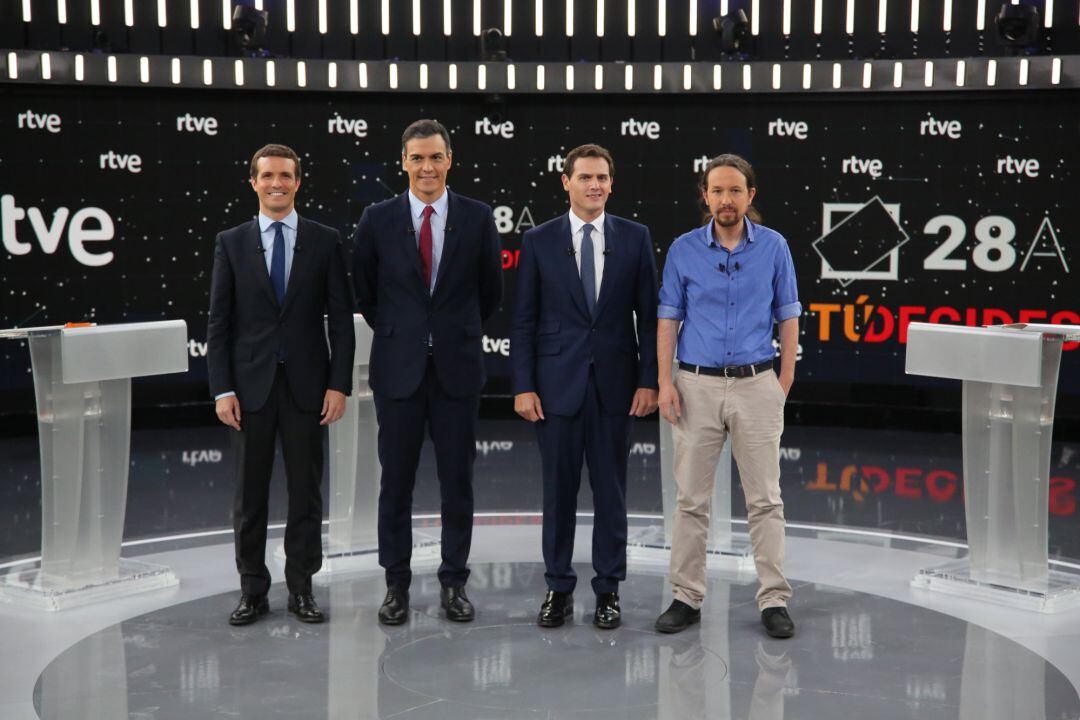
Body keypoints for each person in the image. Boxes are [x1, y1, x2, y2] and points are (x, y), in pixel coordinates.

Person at [352, 119, 503, 625]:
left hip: (457, 373)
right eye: (417, 158)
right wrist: (408, 333)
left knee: (457, 483)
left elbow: (490, 294)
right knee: (394, 484)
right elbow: (368, 294)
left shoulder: (478, 218)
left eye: (435, 157)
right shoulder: (376, 219)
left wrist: (449, 332)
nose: (427, 167)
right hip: (398, 372)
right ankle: (396, 586)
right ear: (403, 162)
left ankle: (454, 584)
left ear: (449, 160)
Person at [510, 144, 659, 630]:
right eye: (585, 177)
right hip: (555, 388)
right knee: (558, 493)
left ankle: (608, 590)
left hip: (616, 388)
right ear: (566, 182)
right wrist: (524, 385)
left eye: (602, 177)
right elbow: (525, 319)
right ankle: (557, 588)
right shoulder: (538, 240)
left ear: (611, 184)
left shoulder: (635, 238)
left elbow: (651, 317)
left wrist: (649, 381)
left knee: (612, 493)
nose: (594, 185)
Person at [207, 143, 355, 626]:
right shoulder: (230, 242)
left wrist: (339, 385)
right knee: (249, 498)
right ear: (253, 182)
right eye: (267, 175)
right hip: (250, 391)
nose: (277, 183)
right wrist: (222, 389)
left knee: (305, 495)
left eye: (285, 175)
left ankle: (302, 589)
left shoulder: (326, 239)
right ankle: (252, 590)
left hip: (308, 391)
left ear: (298, 181)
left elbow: (342, 323)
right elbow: (219, 325)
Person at [654, 154, 800, 639]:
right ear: (705, 195)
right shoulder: (683, 250)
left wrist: (783, 381)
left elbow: (789, 314)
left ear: (750, 195)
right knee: (691, 500)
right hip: (696, 385)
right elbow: (668, 318)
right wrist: (665, 381)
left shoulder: (775, 247)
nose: (726, 200)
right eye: (717, 191)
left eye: (735, 190)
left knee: (765, 500)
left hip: (757, 384)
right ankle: (685, 596)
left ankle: (774, 600)